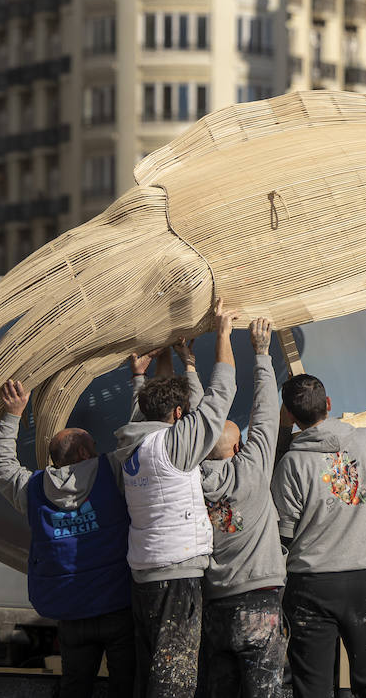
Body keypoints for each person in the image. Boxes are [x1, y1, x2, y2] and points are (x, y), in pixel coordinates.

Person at [115, 298, 239, 698]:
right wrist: (223, 334)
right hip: (177, 574)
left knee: (150, 667)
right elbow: (221, 396)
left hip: (144, 573)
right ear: (178, 416)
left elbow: (143, 417)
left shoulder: (130, 448)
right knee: (174, 676)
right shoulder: (172, 446)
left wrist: (139, 379)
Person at [271, 374, 366, 698]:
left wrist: (284, 430)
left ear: (291, 416)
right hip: (362, 580)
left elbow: (284, 535)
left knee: (312, 689)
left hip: (311, 583)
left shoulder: (292, 463)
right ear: (328, 405)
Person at [0, 378, 134, 698]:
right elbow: (142, 444)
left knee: (75, 688)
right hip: (118, 608)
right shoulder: (113, 472)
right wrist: (137, 380)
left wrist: (12, 414)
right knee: (126, 686)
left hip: (70, 613)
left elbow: (0, 466)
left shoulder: (34, 490)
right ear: (84, 451)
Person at [198, 316, 287, 698]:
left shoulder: (191, 479)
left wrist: (188, 365)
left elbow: (197, 422)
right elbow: (265, 415)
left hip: (215, 604)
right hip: (261, 600)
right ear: (238, 448)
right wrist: (262, 354)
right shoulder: (252, 471)